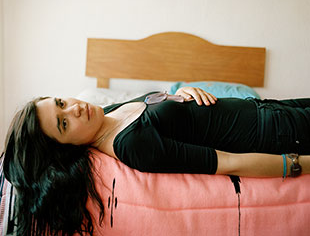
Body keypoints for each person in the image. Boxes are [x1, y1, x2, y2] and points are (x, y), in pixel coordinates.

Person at [3, 86, 310, 236]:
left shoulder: (108, 111)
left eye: (60, 103)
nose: (74, 109)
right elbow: (228, 163)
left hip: (267, 108)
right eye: (63, 123)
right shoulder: (131, 146)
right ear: (65, 149)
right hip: (275, 134)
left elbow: (170, 110)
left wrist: (181, 91)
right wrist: (298, 165)